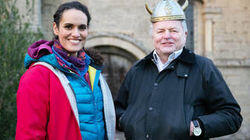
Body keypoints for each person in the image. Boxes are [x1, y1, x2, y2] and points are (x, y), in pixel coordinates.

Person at [115, 0, 242, 139]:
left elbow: (232, 116)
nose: (167, 36)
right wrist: (126, 121)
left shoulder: (203, 67)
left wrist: (196, 127)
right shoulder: (138, 69)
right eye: (160, 31)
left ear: (185, 33)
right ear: (153, 35)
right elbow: (118, 109)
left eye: (173, 30)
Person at [15, 1, 115, 140]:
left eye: (82, 27)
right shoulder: (37, 75)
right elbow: (29, 134)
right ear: (56, 28)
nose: (76, 33)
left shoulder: (92, 70)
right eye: (68, 27)